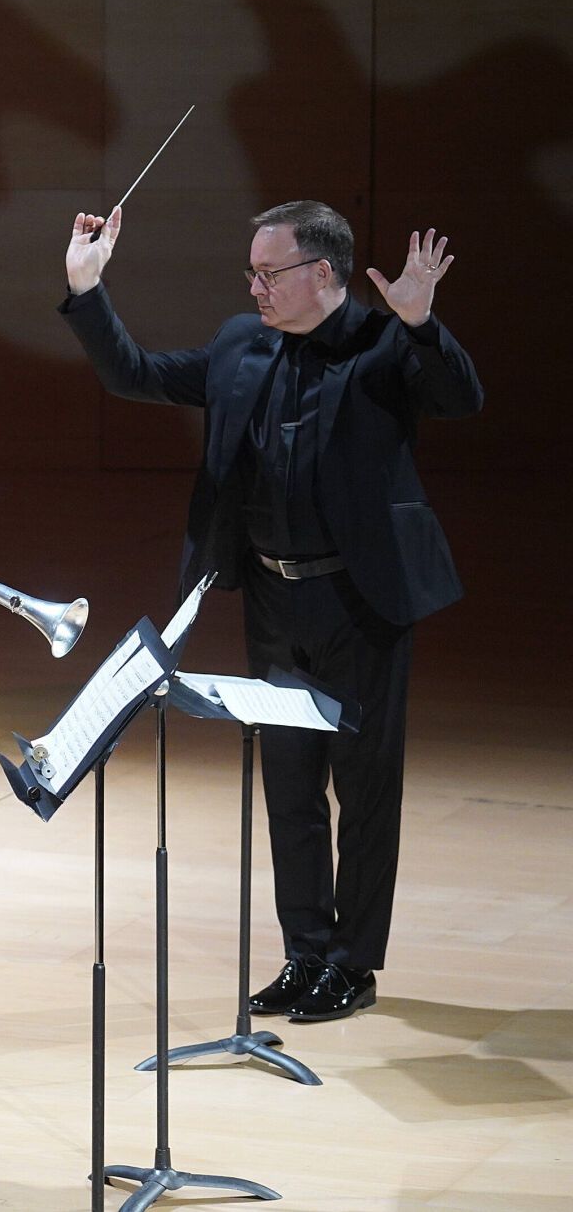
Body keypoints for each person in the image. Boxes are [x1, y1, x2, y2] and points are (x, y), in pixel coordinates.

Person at [60, 199, 482, 1022]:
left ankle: (352, 964)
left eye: (268, 273)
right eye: (250, 272)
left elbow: (459, 396)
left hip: (361, 600)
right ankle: (306, 952)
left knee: (364, 788)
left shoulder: (383, 341)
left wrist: (422, 323)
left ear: (321, 272)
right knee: (288, 784)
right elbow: (135, 374)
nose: (254, 287)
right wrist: (87, 290)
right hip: (274, 597)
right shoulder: (240, 343)